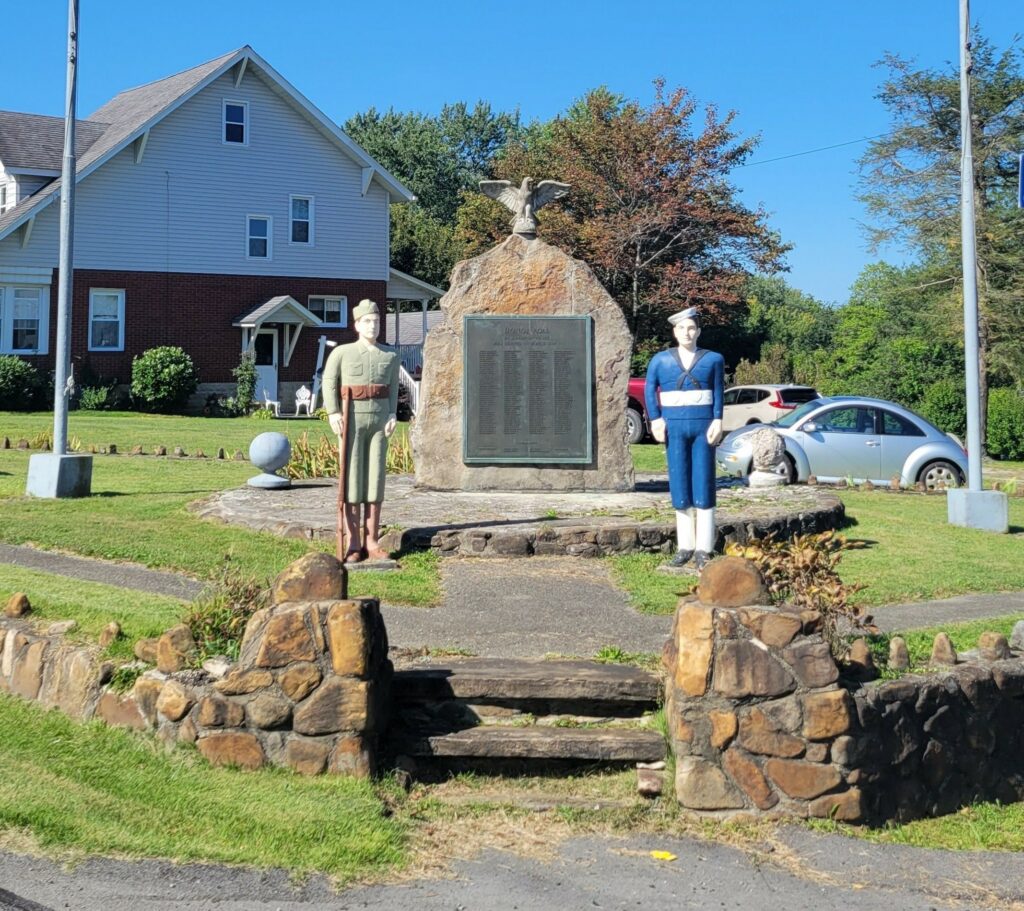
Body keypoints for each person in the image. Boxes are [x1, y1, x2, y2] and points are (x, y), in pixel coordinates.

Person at [644, 307, 724, 571]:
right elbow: (649, 389)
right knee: (679, 482)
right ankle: (685, 546)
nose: (687, 333)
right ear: (674, 331)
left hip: (703, 427)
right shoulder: (660, 360)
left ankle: (704, 547)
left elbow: (718, 391)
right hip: (674, 427)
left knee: (703, 481)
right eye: (681, 328)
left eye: (691, 328)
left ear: (699, 331)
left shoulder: (713, 359)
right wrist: (655, 419)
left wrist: (717, 419)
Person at [323, 299, 400, 563]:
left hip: (379, 422)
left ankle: (372, 540)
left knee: (376, 478)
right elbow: (329, 381)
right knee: (353, 479)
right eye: (367, 321)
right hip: (352, 419)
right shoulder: (342, 353)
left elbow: (391, 388)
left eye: (376, 321)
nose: (373, 326)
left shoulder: (389, 355)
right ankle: (354, 542)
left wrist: (392, 414)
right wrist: (333, 412)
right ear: (357, 325)